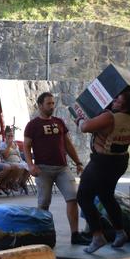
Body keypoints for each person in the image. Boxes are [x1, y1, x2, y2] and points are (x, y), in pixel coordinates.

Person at [75, 92, 130, 253]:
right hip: (120, 161)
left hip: (102, 162)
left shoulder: (110, 117)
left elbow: (85, 127)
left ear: (124, 107)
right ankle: (120, 233)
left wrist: (78, 119)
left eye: (118, 101)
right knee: (106, 196)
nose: (113, 101)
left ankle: (97, 236)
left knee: (83, 197)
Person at [23, 92, 89, 245]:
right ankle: (42, 235)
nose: (52, 106)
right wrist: (30, 165)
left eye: (53, 103)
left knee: (72, 198)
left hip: (62, 168)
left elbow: (68, 144)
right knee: (44, 203)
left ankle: (75, 235)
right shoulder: (32, 125)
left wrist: (78, 162)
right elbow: (26, 146)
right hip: (43, 169)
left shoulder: (59, 122)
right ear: (40, 105)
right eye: (48, 104)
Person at [0, 126, 30, 194]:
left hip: (18, 161)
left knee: (29, 166)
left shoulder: (15, 144)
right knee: (20, 167)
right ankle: (13, 182)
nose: (10, 137)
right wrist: (9, 146)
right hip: (8, 161)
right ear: (5, 136)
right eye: (9, 135)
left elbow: (18, 155)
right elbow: (5, 156)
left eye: (12, 135)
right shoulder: (2, 144)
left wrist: (21, 160)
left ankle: (22, 182)